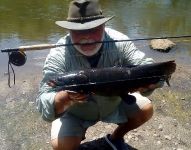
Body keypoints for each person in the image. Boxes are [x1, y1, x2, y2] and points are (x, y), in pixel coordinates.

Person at [36, 0, 162, 150]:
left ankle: (115, 139)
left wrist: (153, 78)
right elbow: (43, 100)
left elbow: (144, 62)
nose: (86, 37)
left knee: (145, 109)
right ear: (69, 31)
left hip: (114, 103)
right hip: (77, 113)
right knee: (61, 146)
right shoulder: (58, 54)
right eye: (78, 30)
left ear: (103, 25)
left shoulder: (120, 42)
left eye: (93, 28)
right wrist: (62, 99)